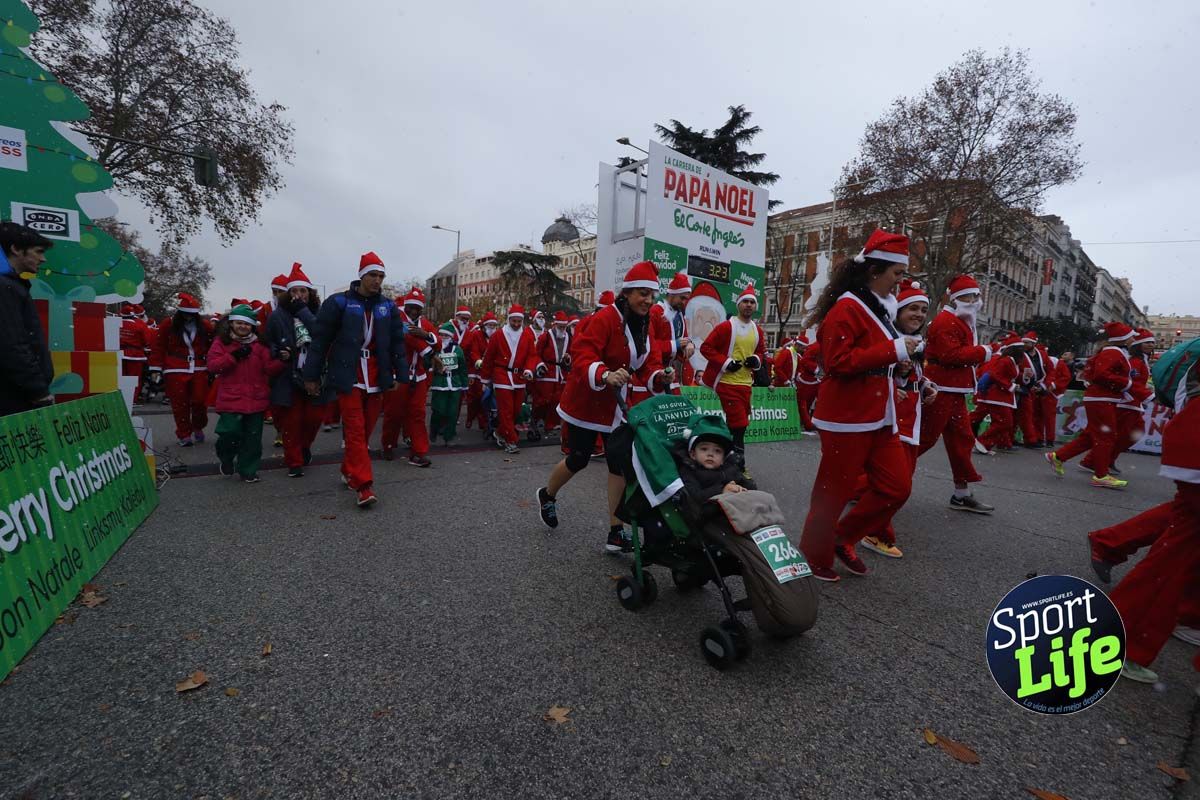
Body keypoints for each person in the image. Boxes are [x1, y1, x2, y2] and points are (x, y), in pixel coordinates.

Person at [798, 229, 918, 582]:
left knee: (897, 487)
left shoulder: (878, 309)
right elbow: (837, 361)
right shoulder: (847, 307)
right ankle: (814, 555)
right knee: (832, 493)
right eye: (896, 274)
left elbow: (873, 360)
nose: (900, 281)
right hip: (846, 418)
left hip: (880, 417)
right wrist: (894, 351)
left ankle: (842, 537)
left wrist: (899, 367)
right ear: (874, 271)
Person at [536, 261, 668, 553]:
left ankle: (615, 532)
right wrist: (604, 374)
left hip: (618, 406)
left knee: (618, 463)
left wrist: (660, 376)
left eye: (651, 295)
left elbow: (649, 362)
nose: (647, 300)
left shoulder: (646, 323)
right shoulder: (606, 318)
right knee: (579, 459)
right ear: (628, 293)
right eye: (641, 294)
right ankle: (547, 495)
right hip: (588, 402)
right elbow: (583, 353)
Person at [1102, 357, 1200, 683]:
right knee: (1179, 549)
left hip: (1192, 439)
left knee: (1180, 546)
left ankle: (1129, 634)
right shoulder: (1115, 355)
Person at [302, 252, 408, 508]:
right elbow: (320, 341)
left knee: (367, 428)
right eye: (373, 275)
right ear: (361, 275)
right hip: (348, 372)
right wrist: (311, 375)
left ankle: (349, 468)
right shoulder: (338, 303)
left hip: (376, 373)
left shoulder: (388, 306)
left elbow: (396, 342)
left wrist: (400, 374)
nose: (377, 280)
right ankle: (363, 485)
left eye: (381, 276)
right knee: (355, 429)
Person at [860, 280, 937, 559]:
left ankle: (854, 504)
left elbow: (912, 375)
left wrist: (926, 386)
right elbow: (873, 375)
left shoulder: (917, 344)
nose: (918, 314)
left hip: (911, 421)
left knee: (893, 482)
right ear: (898, 311)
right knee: (898, 486)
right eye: (912, 308)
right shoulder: (888, 340)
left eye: (923, 310)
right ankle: (876, 533)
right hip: (893, 422)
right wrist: (897, 382)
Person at [917, 274, 995, 514]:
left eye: (977, 296)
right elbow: (951, 356)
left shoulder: (960, 320)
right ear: (960, 299)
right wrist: (983, 351)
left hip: (954, 391)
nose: (976, 300)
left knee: (962, 441)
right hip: (941, 390)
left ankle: (961, 493)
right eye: (972, 296)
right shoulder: (946, 322)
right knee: (922, 440)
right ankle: (871, 484)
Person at [1046, 322, 1135, 489]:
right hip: (1102, 399)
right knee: (1106, 436)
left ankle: (1058, 456)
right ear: (1121, 338)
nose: (1133, 339)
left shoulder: (1110, 352)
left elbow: (1094, 373)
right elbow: (1102, 374)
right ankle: (1101, 475)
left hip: (1100, 398)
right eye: (1131, 336)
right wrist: (1127, 383)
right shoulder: (1113, 352)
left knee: (1090, 436)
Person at [207, 304, 286, 482]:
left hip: (256, 400)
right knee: (229, 433)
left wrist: (281, 361)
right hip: (231, 399)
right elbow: (213, 366)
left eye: (247, 324)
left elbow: (269, 369)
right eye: (239, 323)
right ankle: (226, 458)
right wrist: (233, 357)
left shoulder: (259, 345)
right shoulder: (222, 342)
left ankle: (248, 470)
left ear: (253, 326)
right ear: (232, 324)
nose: (243, 327)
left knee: (252, 439)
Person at [266, 263, 328, 478]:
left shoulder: (319, 313)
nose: (299, 295)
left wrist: (302, 312)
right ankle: (293, 461)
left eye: (303, 291)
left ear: (310, 293)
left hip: (315, 375)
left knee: (314, 418)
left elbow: (322, 333)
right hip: (288, 374)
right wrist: (279, 352)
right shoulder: (278, 316)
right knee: (291, 421)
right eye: (294, 291)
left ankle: (304, 446)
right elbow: (268, 343)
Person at [699, 285, 766, 454]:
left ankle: (725, 456)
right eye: (745, 302)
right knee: (740, 425)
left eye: (752, 302)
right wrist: (726, 362)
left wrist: (756, 360)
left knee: (736, 424)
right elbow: (706, 347)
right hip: (727, 382)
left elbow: (761, 352)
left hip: (746, 384)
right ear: (738, 305)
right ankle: (739, 464)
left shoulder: (757, 331)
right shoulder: (726, 327)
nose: (749, 305)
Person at [0, 222, 54, 418]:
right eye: (38, 251)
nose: (43, 259)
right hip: (12, 397)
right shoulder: (5, 287)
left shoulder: (11, 285)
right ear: (15, 249)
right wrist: (38, 390)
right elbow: (12, 344)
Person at [1084, 327, 1155, 476]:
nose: (1151, 345)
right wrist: (1145, 393)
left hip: (1132, 402)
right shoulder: (1133, 359)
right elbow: (1127, 381)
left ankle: (1099, 462)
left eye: (1152, 342)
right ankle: (1097, 465)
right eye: (1147, 342)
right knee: (1113, 435)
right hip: (1127, 402)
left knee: (1113, 435)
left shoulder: (1141, 359)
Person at [382, 287, 438, 467]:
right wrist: (426, 345)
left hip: (419, 376)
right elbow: (406, 337)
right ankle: (388, 444)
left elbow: (438, 341)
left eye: (417, 308)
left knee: (418, 414)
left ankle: (418, 452)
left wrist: (426, 335)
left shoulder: (426, 324)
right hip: (399, 375)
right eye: (411, 307)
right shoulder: (396, 319)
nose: (414, 311)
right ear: (405, 306)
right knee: (394, 413)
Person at [150, 292, 214, 447]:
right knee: (180, 404)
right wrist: (155, 368)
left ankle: (198, 426)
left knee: (200, 401)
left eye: (192, 314)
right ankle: (184, 434)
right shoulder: (168, 324)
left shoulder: (204, 326)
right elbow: (159, 346)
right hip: (175, 368)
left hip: (199, 367)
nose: (188, 317)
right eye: (185, 314)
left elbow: (213, 345)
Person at [673, 413, 757, 523]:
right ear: (693, 454)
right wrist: (722, 490)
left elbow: (745, 482)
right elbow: (696, 497)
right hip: (708, 517)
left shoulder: (730, 468)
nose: (710, 454)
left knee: (766, 499)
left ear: (723, 458)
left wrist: (744, 489)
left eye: (717, 451)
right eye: (704, 449)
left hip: (736, 510)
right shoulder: (689, 470)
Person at [480, 305, 540, 454]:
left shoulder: (527, 336)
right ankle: (511, 440)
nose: (516, 324)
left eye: (519, 321)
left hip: (519, 376)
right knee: (506, 410)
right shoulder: (498, 335)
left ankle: (500, 432)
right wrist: (485, 379)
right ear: (508, 319)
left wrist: (528, 369)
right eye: (514, 321)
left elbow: (532, 356)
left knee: (516, 410)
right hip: (501, 375)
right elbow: (489, 358)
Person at [970, 334, 1026, 455]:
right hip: (997, 397)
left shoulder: (1010, 361)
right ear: (1016, 349)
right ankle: (982, 442)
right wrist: (1011, 386)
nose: (1023, 351)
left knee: (1001, 422)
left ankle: (984, 444)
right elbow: (996, 375)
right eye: (1021, 349)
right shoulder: (1006, 360)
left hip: (1000, 396)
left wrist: (1024, 378)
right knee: (1005, 423)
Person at [649, 271, 694, 393]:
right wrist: (675, 345)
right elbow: (649, 346)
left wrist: (689, 344)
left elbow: (684, 339)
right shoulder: (655, 312)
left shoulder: (679, 315)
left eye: (686, 299)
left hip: (671, 373)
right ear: (672, 294)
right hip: (651, 374)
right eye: (682, 298)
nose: (684, 302)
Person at [531, 311, 571, 437]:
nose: (562, 329)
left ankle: (551, 424)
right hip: (547, 372)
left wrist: (568, 358)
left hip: (560, 373)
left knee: (556, 400)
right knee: (543, 400)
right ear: (555, 325)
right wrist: (539, 366)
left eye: (564, 327)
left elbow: (571, 353)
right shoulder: (545, 337)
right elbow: (536, 354)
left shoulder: (568, 338)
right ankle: (535, 419)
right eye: (560, 327)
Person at [429, 322, 468, 446]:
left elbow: (463, 368)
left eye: (446, 335)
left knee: (452, 412)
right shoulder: (434, 349)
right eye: (440, 335)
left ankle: (448, 436)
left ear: (451, 337)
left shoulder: (457, 349)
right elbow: (427, 363)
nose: (443, 338)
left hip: (455, 383)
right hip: (440, 382)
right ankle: (434, 430)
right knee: (438, 410)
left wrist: (464, 384)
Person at [462, 311, 497, 434]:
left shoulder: (496, 336)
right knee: (473, 397)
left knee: (485, 397)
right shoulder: (476, 335)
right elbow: (473, 350)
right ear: (484, 326)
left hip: (489, 371)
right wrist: (477, 360)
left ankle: (484, 422)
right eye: (490, 325)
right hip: (476, 370)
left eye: (494, 326)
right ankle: (470, 417)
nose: (492, 328)